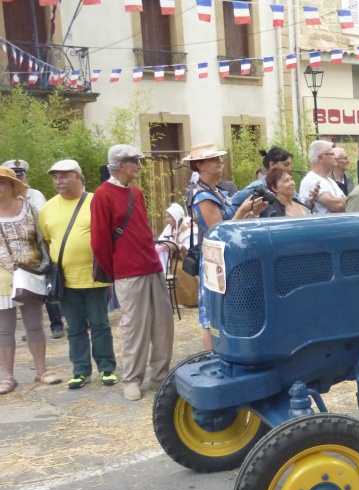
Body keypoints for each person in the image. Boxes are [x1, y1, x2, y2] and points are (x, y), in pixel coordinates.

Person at [91, 145, 175, 401]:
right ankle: (132, 379)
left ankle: (160, 375)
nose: (139, 165)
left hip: (151, 266)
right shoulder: (102, 195)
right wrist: (117, 270)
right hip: (128, 272)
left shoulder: (136, 193)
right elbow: (99, 241)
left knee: (163, 323)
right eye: (134, 161)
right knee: (134, 326)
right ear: (119, 165)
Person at [39, 160, 117, 390]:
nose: (58, 181)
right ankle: (80, 371)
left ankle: (107, 368)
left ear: (78, 177)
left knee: (100, 324)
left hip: (95, 276)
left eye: (64, 176)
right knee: (74, 327)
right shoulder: (48, 208)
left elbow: (109, 237)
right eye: (55, 177)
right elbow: (46, 240)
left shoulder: (96, 202)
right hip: (64, 280)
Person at [185, 142, 270, 350]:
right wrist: (242, 212)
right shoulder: (202, 195)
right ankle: (213, 360)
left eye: (220, 157)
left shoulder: (219, 192)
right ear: (199, 165)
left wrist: (252, 212)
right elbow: (219, 231)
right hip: (215, 259)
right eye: (213, 158)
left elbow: (234, 225)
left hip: (227, 258)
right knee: (212, 315)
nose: (220, 161)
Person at [0, 167, 61, 393]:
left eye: (2, 183)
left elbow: (41, 239)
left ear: (12, 185)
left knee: (35, 325)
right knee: (4, 329)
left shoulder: (29, 208)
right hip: (0, 277)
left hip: (29, 273)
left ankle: (42, 371)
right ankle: (7, 377)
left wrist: (43, 265)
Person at [2, 159, 65, 339]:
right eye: (16, 175)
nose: (20, 177)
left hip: (32, 257)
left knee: (44, 290)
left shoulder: (34, 196)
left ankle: (56, 325)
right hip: (8, 263)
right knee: (12, 307)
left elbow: (39, 219)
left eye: (21, 174)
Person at [299, 140, 345, 213]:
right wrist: (340, 200)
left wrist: (339, 200)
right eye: (332, 154)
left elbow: (347, 202)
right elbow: (338, 206)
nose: (335, 157)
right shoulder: (311, 180)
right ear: (321, 158)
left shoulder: (330, 181)